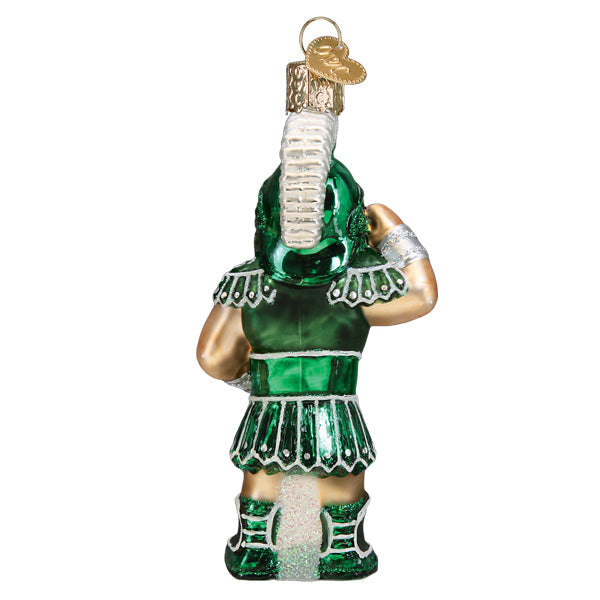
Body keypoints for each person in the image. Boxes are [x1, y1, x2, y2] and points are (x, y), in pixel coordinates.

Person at [197, 66, 437, 581]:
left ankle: (258, 551)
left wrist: (255, 381)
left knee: (264, 476)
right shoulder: (358, 285)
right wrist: (392, 229)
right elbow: (422, 296)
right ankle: (339, 553)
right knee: (339, 478)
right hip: (334, 413)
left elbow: (212, 358)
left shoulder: (247, 283)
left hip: (269, 414)